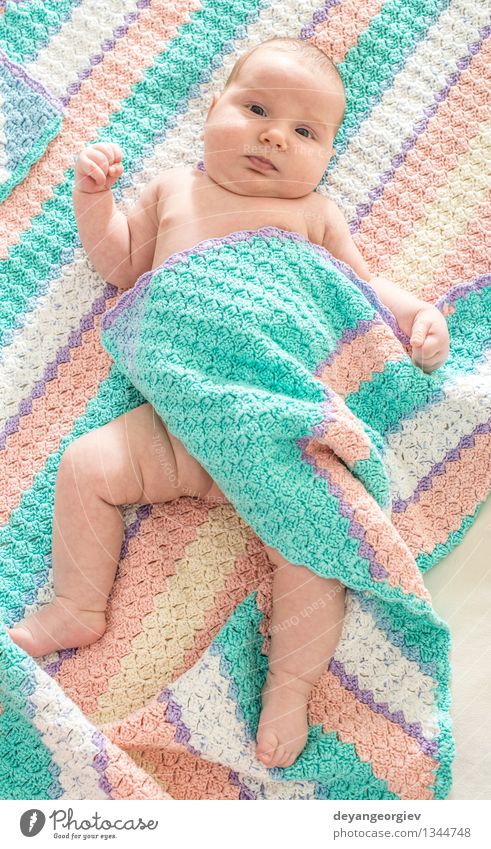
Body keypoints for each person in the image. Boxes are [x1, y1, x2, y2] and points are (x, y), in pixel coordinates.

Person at [7, 37, 450, 770]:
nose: (274, 135)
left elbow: (358, 293)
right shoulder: (175, 190)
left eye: (304, 133)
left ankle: (289, 686)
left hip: (273, 418)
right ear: (212, 111)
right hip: (186, 414)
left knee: (311, 543)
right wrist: (94, 200)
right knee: (86, 464)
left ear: (326, 156)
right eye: (254, 110)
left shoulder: (312, 213)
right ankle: (76, 605)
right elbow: (120, 264)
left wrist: (415, 318)